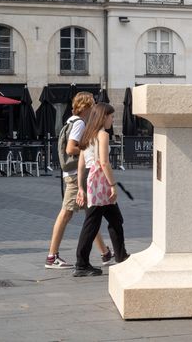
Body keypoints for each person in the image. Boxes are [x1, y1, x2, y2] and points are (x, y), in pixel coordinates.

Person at [45, 92, 112, 269]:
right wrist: (89, 147)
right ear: (86, 108)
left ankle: (105, 253)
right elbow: (70, 149)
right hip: (76, 176)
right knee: (66, 213)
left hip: (74, 174)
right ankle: (52, 257)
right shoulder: (80, 123)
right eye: (92, 106)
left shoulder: (70, 120)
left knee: (92, 214)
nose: (94, 110)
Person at [73, 103, 129, 276]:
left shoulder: (88, 134)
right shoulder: (102, 135)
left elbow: (81, 164)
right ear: (103, 117)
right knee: (92, 222)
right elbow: (104, 162)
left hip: (91, 179)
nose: (113, 119)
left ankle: (121, 255)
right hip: (100, 180)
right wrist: (113, 185)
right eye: (111, 116)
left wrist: (81, 187)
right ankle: (81, 265)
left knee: (115, 218)